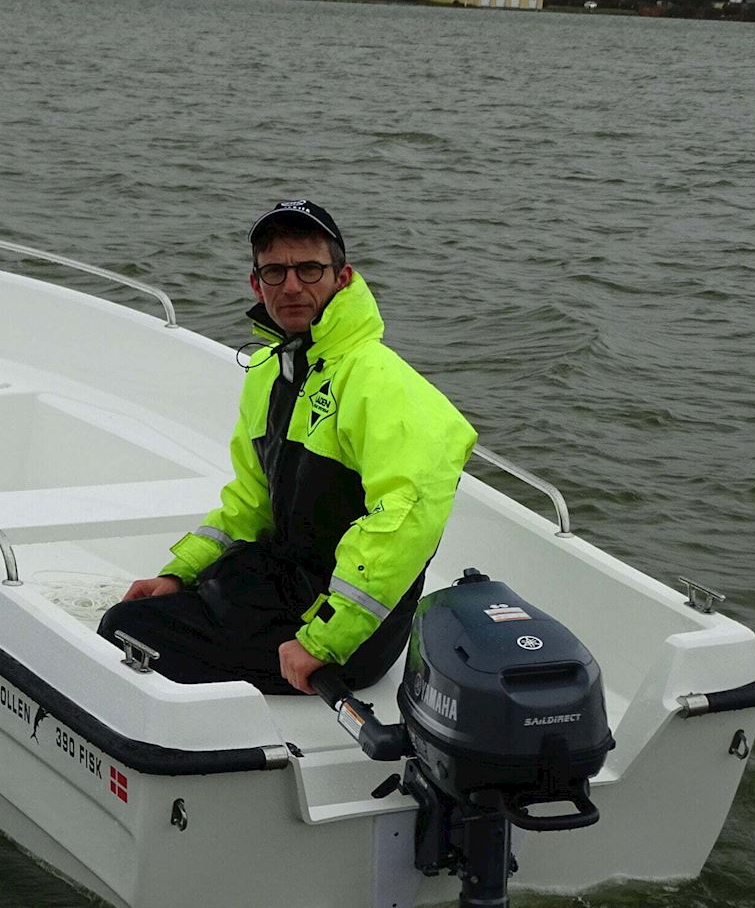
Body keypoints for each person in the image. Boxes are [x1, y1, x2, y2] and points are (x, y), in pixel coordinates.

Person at [97, 200, 476, 696]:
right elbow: (251, 503)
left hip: (346, 635)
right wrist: (180, 574)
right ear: (257, 284)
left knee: (125, 633)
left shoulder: (385, 386)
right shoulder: (271, 373)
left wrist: (324, 640)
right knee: (136, 617)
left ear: (342, 278)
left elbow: (406, 521)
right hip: (285, 586)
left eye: (309, 269)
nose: (292, 286)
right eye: (275, 271)